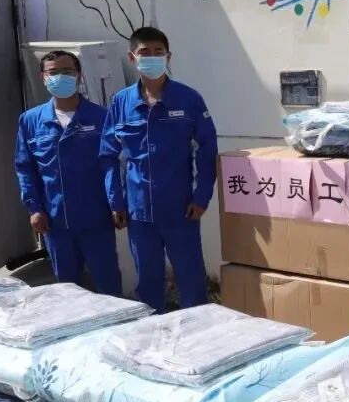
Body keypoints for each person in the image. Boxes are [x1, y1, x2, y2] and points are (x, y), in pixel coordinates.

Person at [100, 27, 217, 313]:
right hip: (139, 212)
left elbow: (207, 148)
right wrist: (116, 201)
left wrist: (201, 196)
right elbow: (108, 155)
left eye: (158, 52)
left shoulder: (188, 99)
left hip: (181, 209)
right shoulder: (121, 102)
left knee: (191, 279)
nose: (151, 57)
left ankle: (199, 329)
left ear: (168, 56)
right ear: (132, 57)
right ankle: (152, 331)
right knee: (148, 282)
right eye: (144, 52)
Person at [14, 50, 123, 295]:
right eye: (53, 72)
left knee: (108, 285)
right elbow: (25, 167)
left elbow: (110, 164)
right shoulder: (30, 121)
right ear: (43, 77)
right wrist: (34, 209)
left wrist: (116, 203)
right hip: (55, 221)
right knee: (67, 290)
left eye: (67, 72)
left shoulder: (101, 117)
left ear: (79, 76)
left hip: (96, 218)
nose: (60, 77)